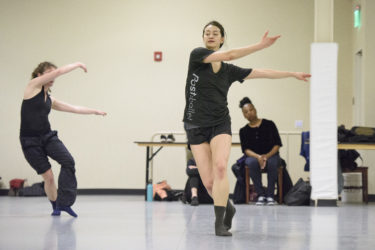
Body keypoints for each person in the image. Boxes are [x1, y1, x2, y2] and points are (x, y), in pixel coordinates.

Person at [182, 20, 310, 236]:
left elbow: (262, 72)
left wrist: (291, 73)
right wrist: (260, 45)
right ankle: (228, 207)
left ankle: (219, 221)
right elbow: (229, 54)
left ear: (222, 38)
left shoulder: (229, 71)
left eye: (215, 33)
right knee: (210, 184)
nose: (211, 36)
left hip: (220, 123)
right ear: (203, 38)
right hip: (195, 125)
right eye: (207, 33)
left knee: (221, 166)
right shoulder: (197, 56)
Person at [20, 61, 106, 217]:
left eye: (53, 73)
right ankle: (56, 207)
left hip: (47, 137)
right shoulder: (32, 87)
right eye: (49, 73)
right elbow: (59, 72)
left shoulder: (50, 99)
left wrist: (95, 111)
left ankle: (64, 202)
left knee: (68, 161)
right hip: (30, 141)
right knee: (49, 178)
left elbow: (74, 108)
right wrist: (78, 64)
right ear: (39, 75)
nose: (53, 76)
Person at [239, 97, 282, 206]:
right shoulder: (243, 131)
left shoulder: (269, 124)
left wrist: (266, 156)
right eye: (246, 112)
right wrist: (258, 157)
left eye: (251, 110)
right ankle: (261, 195)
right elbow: (246, 150)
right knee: (251, 162)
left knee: (272, 163)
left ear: (255, 109)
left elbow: (277, 144)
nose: (249, 113)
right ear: (244, 115)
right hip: (254, 157)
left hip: (271, 155)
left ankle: (270, 196)